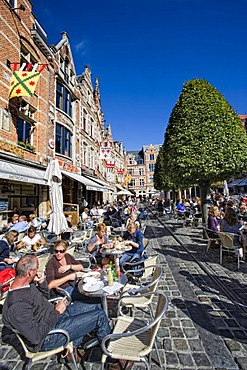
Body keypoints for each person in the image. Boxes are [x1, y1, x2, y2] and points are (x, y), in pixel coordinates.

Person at [2, 254, 111, 358]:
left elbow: (44, 299)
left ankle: (74, 346)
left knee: (96, 304)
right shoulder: (17, 305)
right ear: (30, 273)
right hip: (48, 336)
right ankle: (111, 356)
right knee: (99, 316)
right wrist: (57, 312)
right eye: (37, 269)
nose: (39, 271)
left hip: (54, 316)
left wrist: (42, 282)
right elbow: (36, 337)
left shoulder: (25, 285)